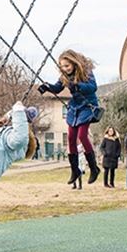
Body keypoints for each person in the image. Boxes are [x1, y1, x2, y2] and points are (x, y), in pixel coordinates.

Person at [38, 49, 101, 185]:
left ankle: (94, 168)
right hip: (75, 108)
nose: (65, 69)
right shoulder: (64, 77)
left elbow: (93, 87)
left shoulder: (86, 71)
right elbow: (57, 88)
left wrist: (77, 86)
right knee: (71, 138)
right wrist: (46, 87)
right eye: (62, 66)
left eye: (67, 66)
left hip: (87, 106)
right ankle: (75, 170)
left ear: (74, 63)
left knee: (83, 136)